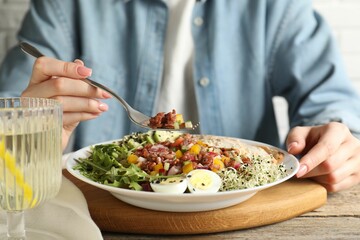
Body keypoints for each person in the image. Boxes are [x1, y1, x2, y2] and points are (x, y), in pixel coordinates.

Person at [1, 0, 360, 193]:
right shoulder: (64, 6)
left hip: (246, 211)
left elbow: (329, 100)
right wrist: (31, 130)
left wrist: (332, 136)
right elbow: (10, 114)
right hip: (103, 214)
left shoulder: (276, 6)